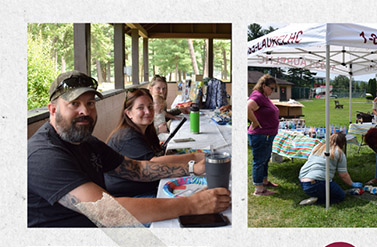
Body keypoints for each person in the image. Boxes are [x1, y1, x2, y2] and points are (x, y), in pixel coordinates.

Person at [27, 71, 230, 228]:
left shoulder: (86, 141)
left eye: (90, 103)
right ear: (53, 110)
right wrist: (193, 204)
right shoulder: (43, 155)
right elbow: (106, 211)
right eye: (74, 104)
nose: (85, 111)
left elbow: (138, 169)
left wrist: (194, 168)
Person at [104, 89, 196, 198]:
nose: (148, 111)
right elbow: (154, 163)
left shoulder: (146, 130)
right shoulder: (127, 137)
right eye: (140, 108)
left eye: (150, 106)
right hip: (130, 196)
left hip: (144, 187)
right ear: (129, 113)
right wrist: (195, 157)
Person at [298, 132, 358, 206]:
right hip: (317, 183)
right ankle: (317, 201)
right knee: (340, 196)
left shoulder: (318, 147)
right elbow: (343, 175)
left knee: (327, 187)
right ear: (343, 143)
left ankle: (317, 194)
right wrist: (352, 183)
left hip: (303, 181)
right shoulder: (339, 153)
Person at [247, 73, 280, 196]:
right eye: (271, 88)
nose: (273, 90)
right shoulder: (258, 96)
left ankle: (264, 181)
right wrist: (255, 122)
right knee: (259, 161)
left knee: (265, 159)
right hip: (261, 134)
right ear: (264, 85)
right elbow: (247, 108)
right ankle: (259, 189)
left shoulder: (264, 96)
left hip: (267, 134)